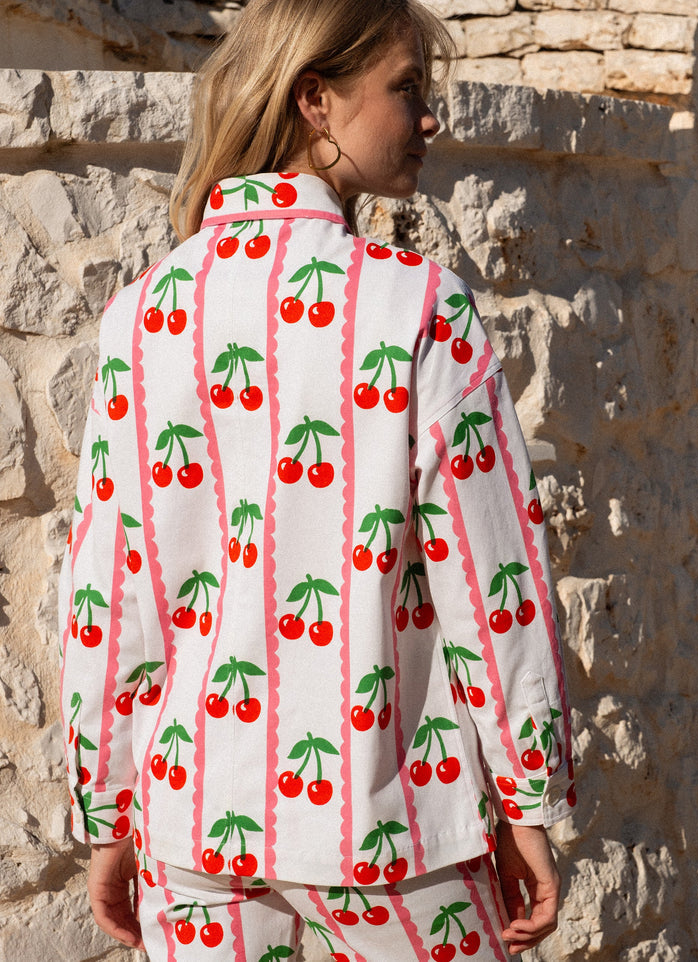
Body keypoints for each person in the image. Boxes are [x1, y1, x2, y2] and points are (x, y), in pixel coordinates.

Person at [59, 1, 576, 959]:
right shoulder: (419, 305)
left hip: (191, 835)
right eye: (407, 88)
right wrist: (528, 799)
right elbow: (490, 577)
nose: (430, 118)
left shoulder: (141, 316)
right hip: (394, 834)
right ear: (315, 101)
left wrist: (110, 811)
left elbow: (108, 594)